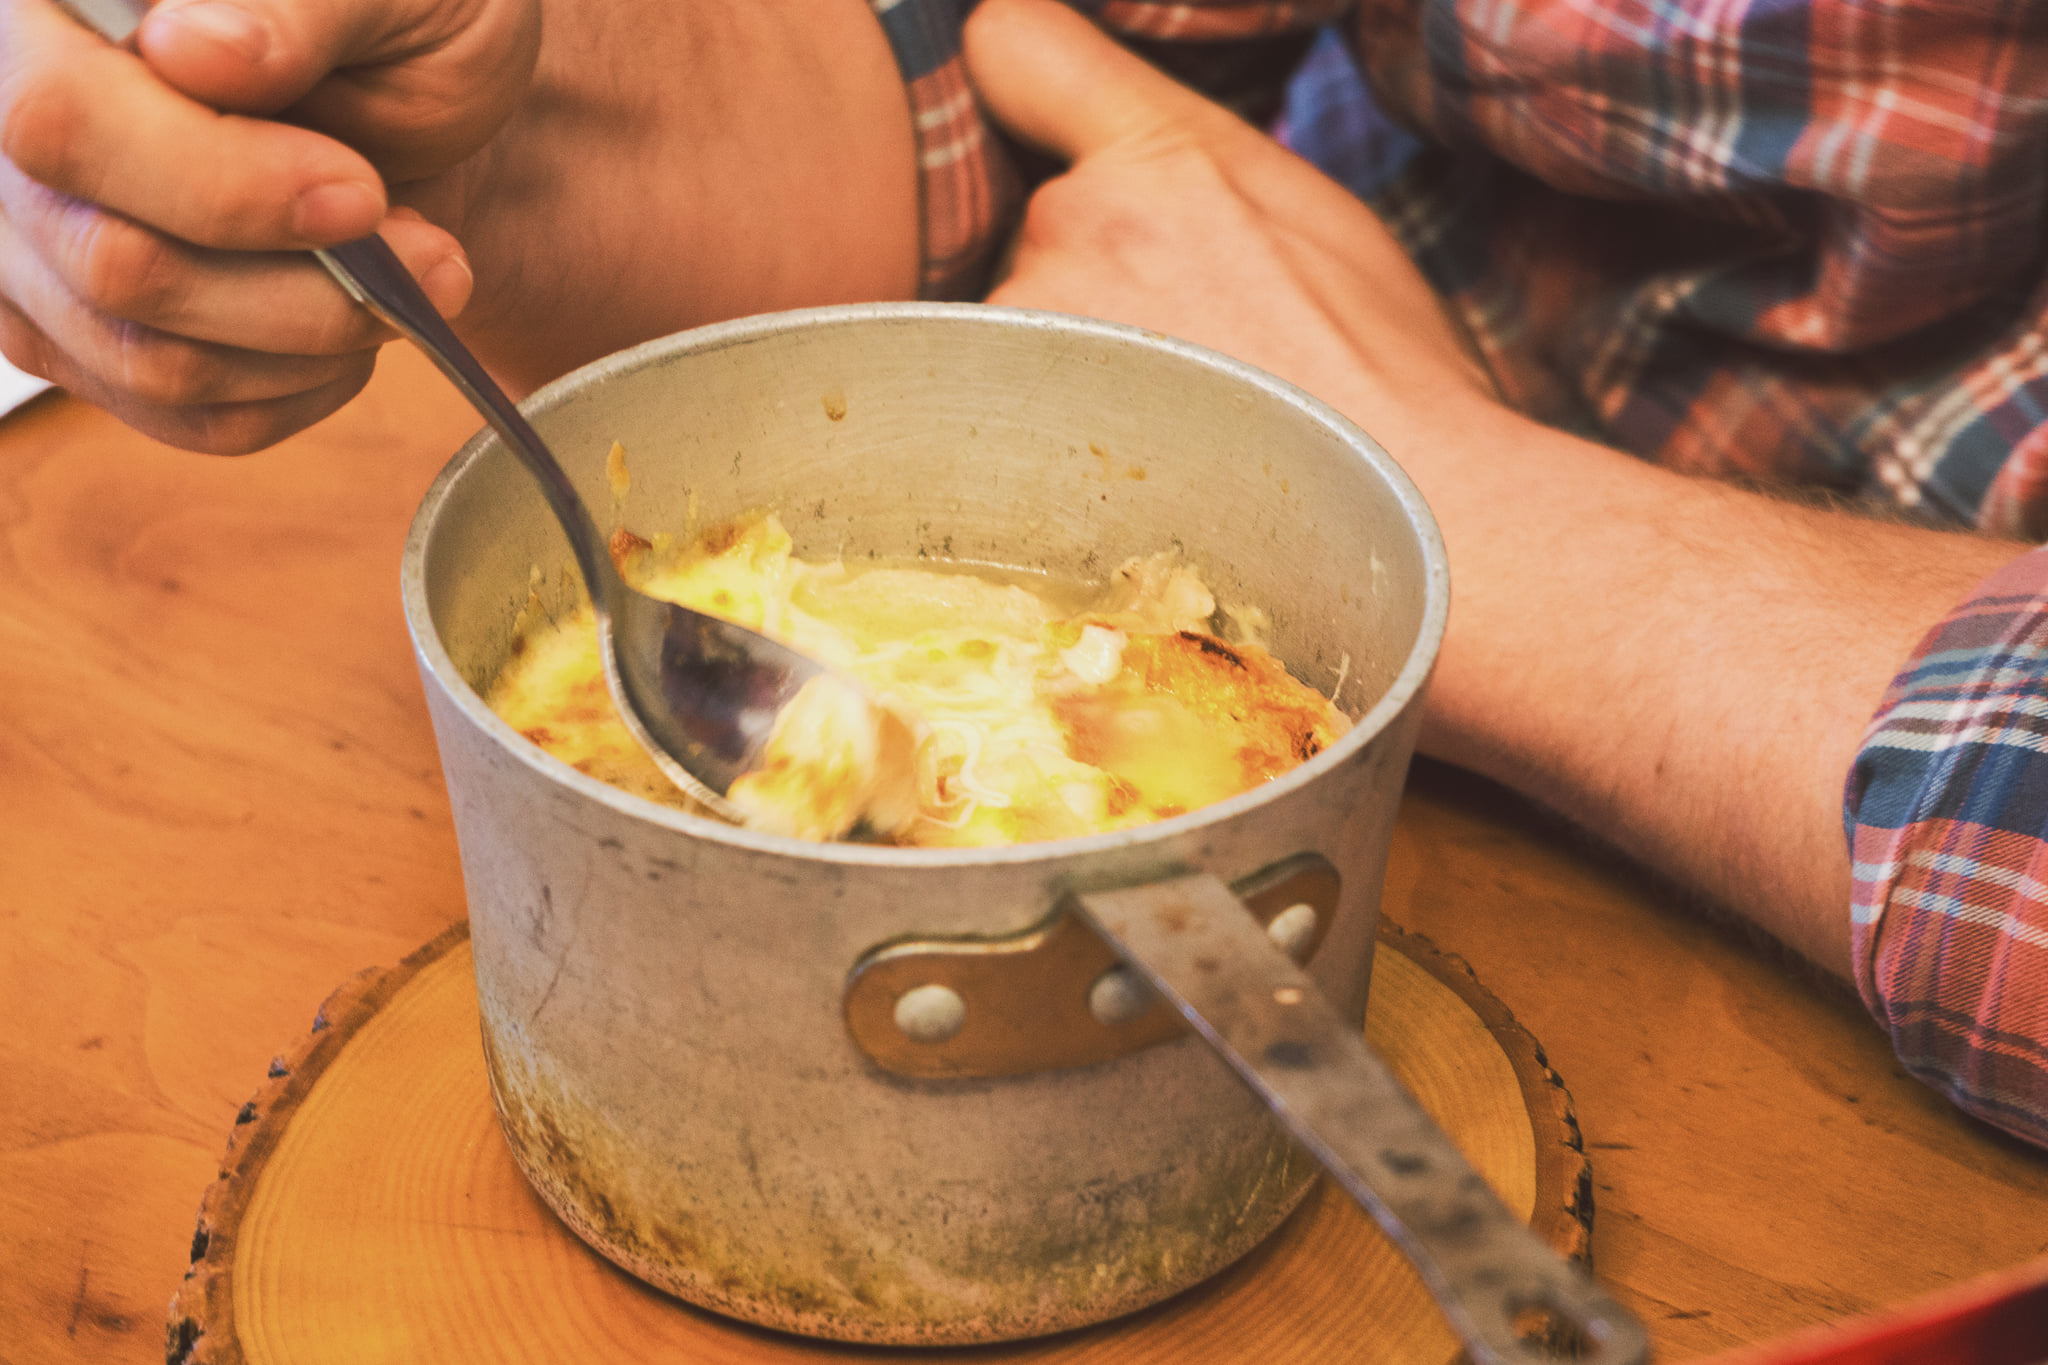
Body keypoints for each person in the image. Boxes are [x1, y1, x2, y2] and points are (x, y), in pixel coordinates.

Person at [2, 0, 2043, 1146]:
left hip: (1822, 1005)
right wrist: (447, 135)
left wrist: (1462, 517)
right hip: (1281, 333)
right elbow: (1022, 65)